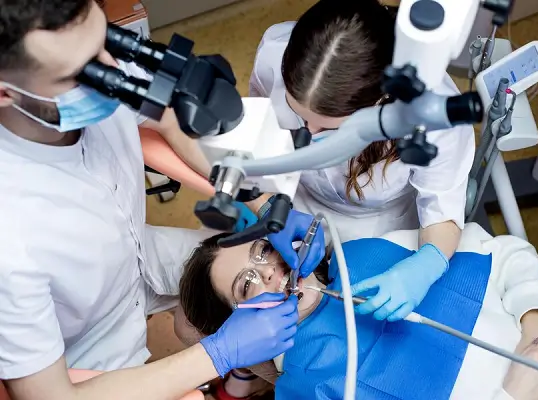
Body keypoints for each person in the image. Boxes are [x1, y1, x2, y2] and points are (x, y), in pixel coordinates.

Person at [0, 1, 325, 399]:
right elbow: (48, 396)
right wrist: (216, 355)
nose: (114, 71)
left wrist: (264, 203)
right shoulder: (10, 240)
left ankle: (242, 376)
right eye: (86, 73)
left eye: (108, 42)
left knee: (219, 281)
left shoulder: (86, 61)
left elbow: (170, 116)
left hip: (136, 250)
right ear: (5, 92)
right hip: (88, 340)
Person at [241, 0, 476, 324]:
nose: (307, 134)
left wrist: (426, 265)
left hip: (381, 226)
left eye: (327, 127)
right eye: (297, 113)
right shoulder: (274, 52)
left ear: (380, 107)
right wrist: (268, 208)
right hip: (295, 200)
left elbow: (442, 210)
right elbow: (254, 137)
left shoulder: (434, 118)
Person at [176, 224, 538, 400]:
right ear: (238, 327)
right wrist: (514, 394)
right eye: (246, 285)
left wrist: (536, 325)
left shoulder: (369, 251)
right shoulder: (308, 387)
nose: (269, 272)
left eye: (262, 251)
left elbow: (505, 254)